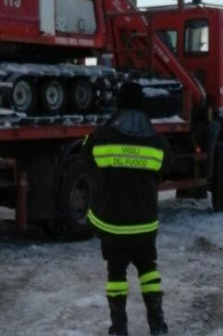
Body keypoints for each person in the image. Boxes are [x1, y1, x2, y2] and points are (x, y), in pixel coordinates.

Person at [83, 81, 172, 335]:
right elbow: (167, 164)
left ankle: (119, 328)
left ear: (119, 105)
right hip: (144, 224)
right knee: (148, 271)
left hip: (112, 225)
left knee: (116, 275)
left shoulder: (100, 137)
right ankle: (157, 325)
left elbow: (85, 161)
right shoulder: (157, 141)